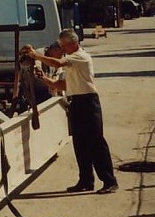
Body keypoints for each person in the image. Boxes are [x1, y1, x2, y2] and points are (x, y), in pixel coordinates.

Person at [22, 28, 118, 194]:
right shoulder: (72, 62)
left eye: (64, 46)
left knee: (96, 143)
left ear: (73, 43)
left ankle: (109, 181)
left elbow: (57, 63)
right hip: (76, 103)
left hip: (88, 102)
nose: (62, 49)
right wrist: (44, 78)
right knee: (80, 143)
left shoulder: (80, 57)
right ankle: (86, 180)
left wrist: (36, 56)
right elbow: (62, 85)